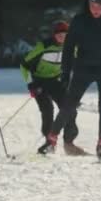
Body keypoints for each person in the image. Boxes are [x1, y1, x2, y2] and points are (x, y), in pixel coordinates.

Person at [38, 0, 101, 159]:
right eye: (93, 5)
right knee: (69, 105)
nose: (95, 10)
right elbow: (69, 47)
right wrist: (65, 72)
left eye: (100, 6)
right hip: (83, 68)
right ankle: (51, 140)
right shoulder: (79, 21)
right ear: (88, 3)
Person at [20, 21, 84, 155]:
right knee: (47, 109)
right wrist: (31, 84)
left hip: (55, 81)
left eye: (65, 35)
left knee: (69, 109)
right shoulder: (43, 46)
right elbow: (24, 65)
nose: (62, 37)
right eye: (59, 34)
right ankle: (49, 143)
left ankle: (69, 143)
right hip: (39, 82)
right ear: (54, 35)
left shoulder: (71, 46)